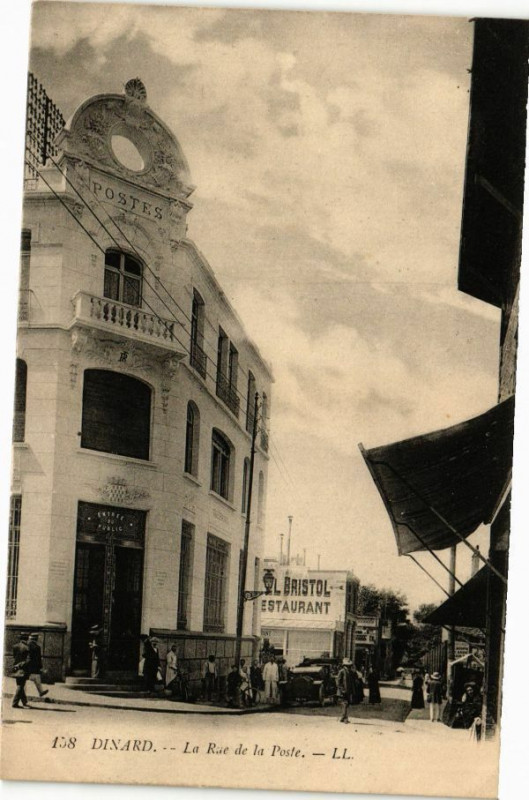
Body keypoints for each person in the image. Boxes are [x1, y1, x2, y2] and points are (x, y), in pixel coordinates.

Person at [12, 633, 31, 709]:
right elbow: (28, 660)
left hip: (15, 668)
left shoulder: (15, 646)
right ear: (27, 639)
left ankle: (24, 702)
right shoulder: (27, 648)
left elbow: (14, 657)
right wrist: (20, 665)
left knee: (20, 684)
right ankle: (15, 703)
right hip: (23, 668)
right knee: (21, 685)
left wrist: (16, 665)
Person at [27, 633, 48, 699]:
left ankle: (41, 691)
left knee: (35, 678)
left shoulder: (27, 645)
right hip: (34, 666)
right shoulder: (37, 647)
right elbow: (38, 659)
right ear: (36, 639)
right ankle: (40, 691)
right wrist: (41, 667)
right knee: (36, 677)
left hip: (27, 665)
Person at [336, 658, 353, 723]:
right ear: (344, 665)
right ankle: (345, 718)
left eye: (349, 665)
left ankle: (343, 717)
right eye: (347, 665)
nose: (349, 667)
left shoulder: (350, 672)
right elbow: (338, 682)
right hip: (342, 691)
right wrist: (342, 689)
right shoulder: (341, 671)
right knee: (344, 704)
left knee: (347, 704)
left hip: (348, 691)